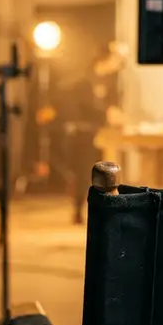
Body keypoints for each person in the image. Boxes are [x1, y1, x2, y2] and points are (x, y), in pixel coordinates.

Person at [56, 43, 126, 224]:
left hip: (98, 133)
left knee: (98, 173)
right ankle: (79, 210)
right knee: (84, 173)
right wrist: (107, 114)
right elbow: (86, 107)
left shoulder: (106, 82)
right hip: (83, 133)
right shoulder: (85, 81)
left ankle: (98, 210)